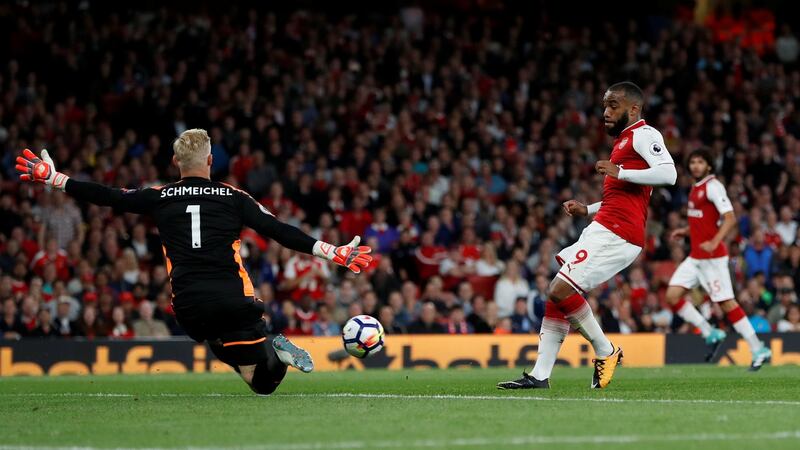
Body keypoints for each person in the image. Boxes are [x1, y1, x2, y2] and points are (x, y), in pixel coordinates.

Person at [15, 128, 372, 396]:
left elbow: (109, 196)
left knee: (245, 370)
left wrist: (56, 179)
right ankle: (275, 349)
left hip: (189, 308)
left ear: (176, 163)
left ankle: (268, 350)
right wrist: (333, 252)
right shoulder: (233, 197)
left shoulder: (160, 196)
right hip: (235, 302)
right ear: (211, 161)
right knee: (263, 383)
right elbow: (278, 230)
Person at [499, 82, 677, 390]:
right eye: (605, 105)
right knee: (558, 294)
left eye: (614, 106)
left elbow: (669, 174)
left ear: (633, 109)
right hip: (604, 225)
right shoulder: (622, 141)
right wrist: (588, 209)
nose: (606, 112)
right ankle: (540, 375)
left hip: (618, 232)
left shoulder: (644, 134)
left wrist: (620, 172)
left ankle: (606, 350)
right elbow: (623, 198)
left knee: (560, 289)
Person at [665, 149, 771, 370]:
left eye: (700, 162)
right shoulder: (695, 187)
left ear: (709, 166)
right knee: (672, 296)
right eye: (693, 162)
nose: (695, 165)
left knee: (726, 303)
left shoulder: (713, 187)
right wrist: (686, 231)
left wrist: (714, 242)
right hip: (696, 257)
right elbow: (703, 221)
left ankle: (758, 348)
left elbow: (730, 218)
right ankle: (710, 332)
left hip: (713, 259)